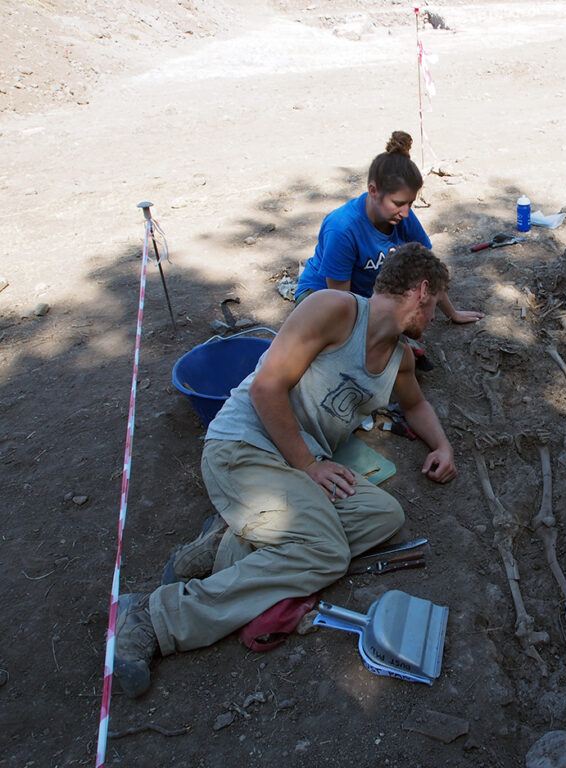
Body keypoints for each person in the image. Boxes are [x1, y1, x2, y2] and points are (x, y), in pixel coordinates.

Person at [114, 243, 460, 697]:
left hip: (296, 468)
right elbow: (266, 387)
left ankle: (227, 546)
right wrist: (310, 464)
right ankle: (155, 617)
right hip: (245, 447)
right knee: (326, 550)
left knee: (384, 515)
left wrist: (443, 445)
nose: (434, 317)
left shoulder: (400, 357)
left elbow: (414, 404)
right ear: (420, 292)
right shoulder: (334, 309)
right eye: (434, 306)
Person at [294, 130, 483, 325]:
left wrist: (453, 314)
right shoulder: (342, 228)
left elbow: (428, 270)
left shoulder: (401, 217)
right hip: (321, 298)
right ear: (373, 191)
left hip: (366, 297)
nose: (406, 213)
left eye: (410, 203)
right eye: (398, 203)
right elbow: (340, 302)